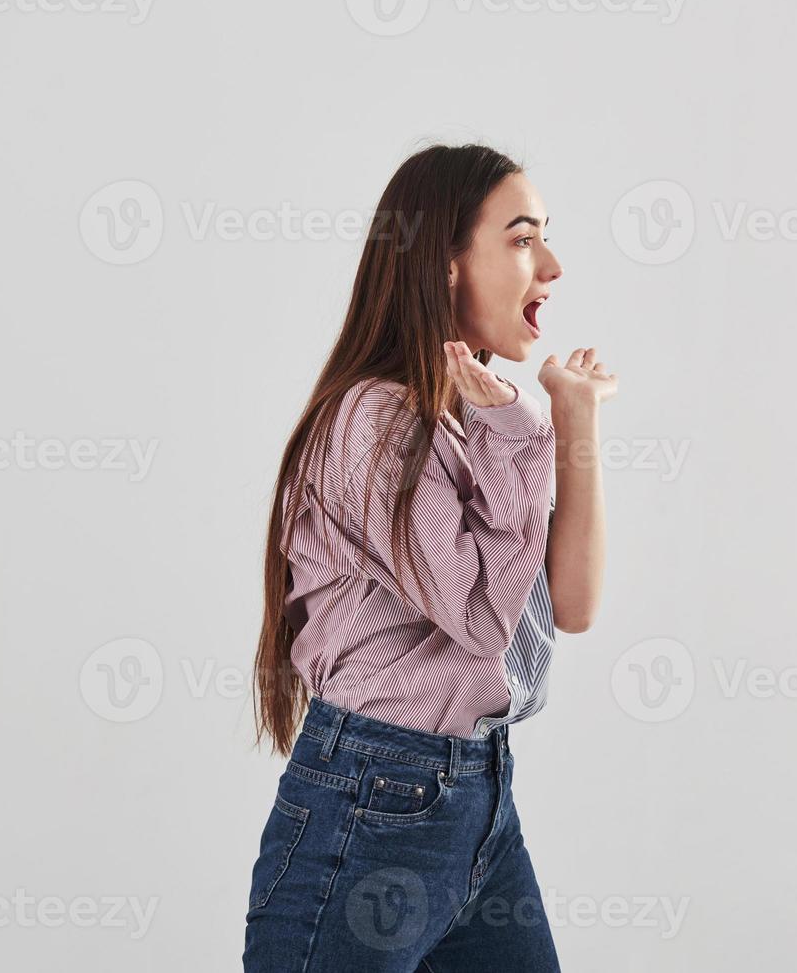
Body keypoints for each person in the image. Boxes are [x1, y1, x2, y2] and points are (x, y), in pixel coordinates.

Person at [242, 143, 616, 971]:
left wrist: (572, 420)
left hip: (474, 800)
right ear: (446, 263)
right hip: (371, 803)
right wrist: (522, 433)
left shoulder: (463, 420)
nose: (551, 265)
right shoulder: (371, 424)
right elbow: (483, 619)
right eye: (522, 239)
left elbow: (570, 605)